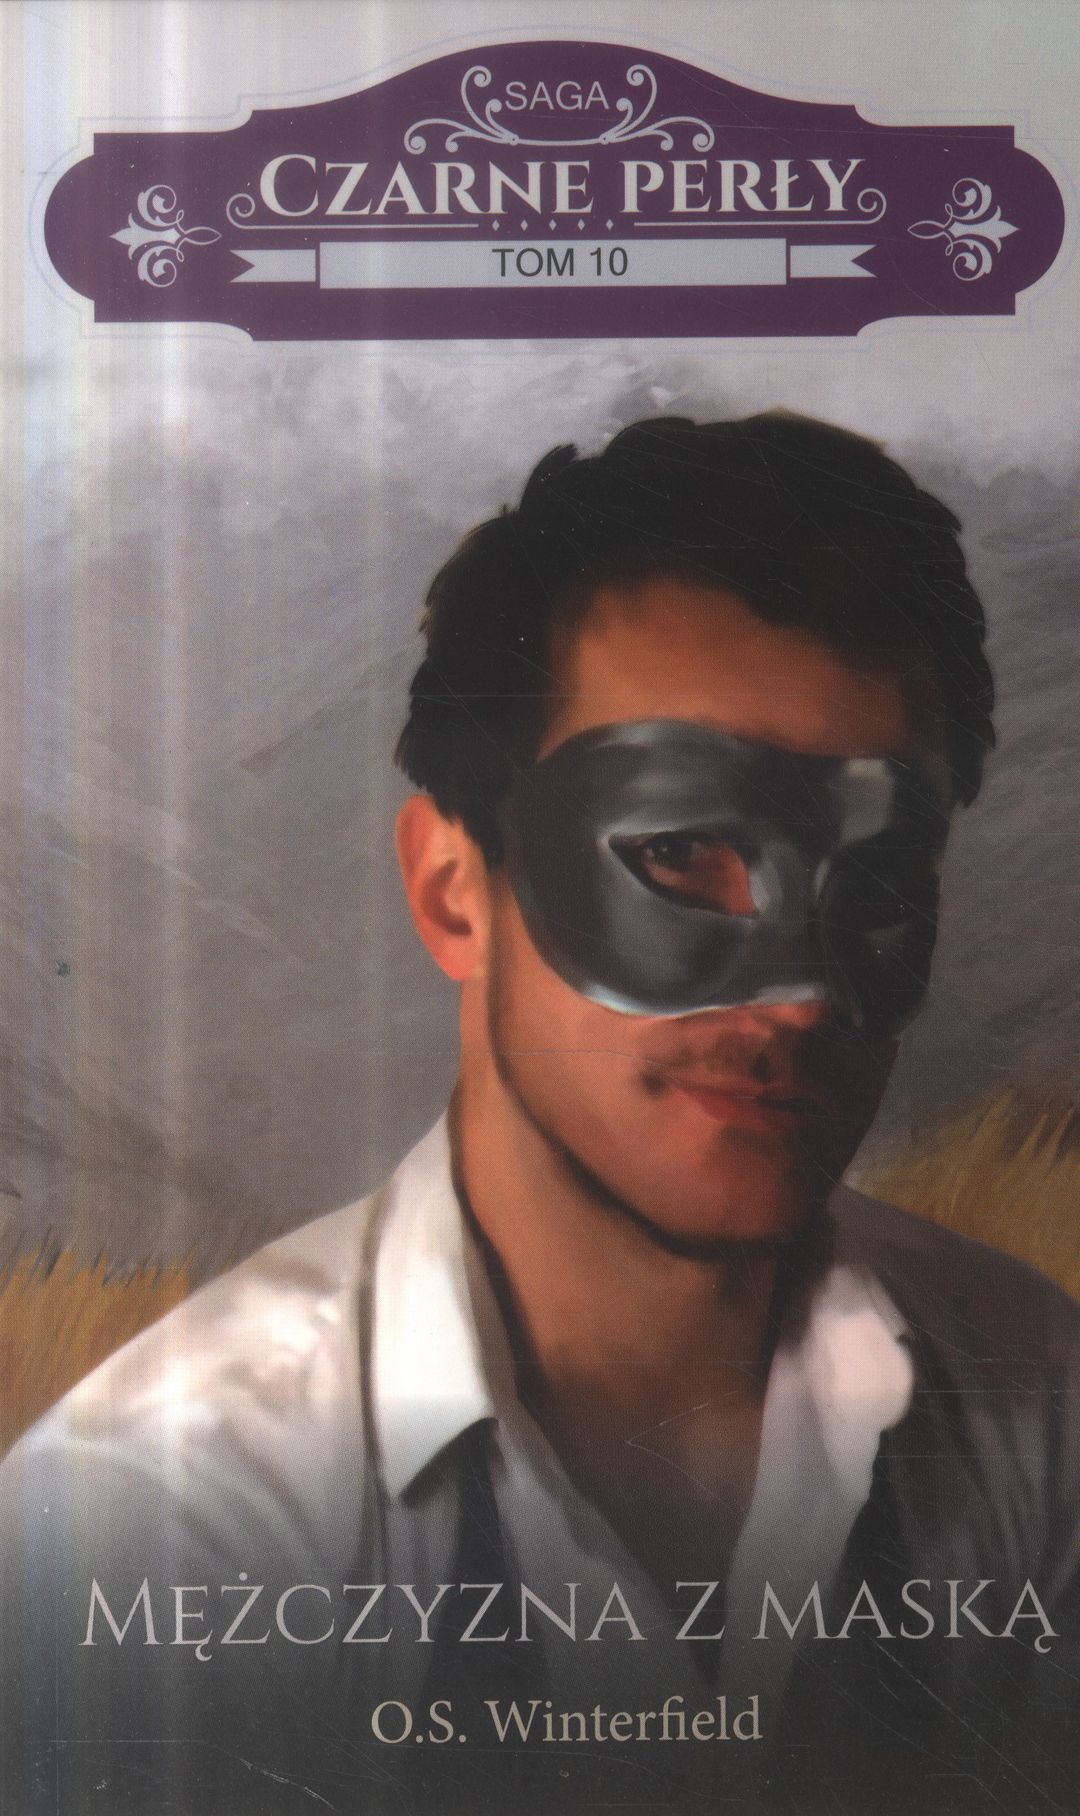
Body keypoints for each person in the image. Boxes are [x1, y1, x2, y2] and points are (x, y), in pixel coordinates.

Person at [2, 414, 1079, 1815]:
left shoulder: (1043, 1407)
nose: (802, 996)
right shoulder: (154, 1521)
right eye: (680, 851)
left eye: (877, 882)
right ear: (454, 893)